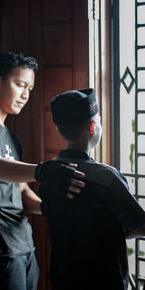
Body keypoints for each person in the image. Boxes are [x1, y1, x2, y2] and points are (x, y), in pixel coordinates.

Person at [0, 51, 85, 290]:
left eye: (30, 89)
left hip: (23, 245)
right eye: (20, 84)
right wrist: (45, 172)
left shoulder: (10, 137)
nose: (25, 95)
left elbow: (22, 192)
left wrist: (50, 207)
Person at [39, 88, 145, 290]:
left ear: (60, 129)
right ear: (93, 126)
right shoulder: (106, 177)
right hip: (104, 280)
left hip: (64, 279)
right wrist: (112, 234)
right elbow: (141, 225)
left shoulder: (49, 174)